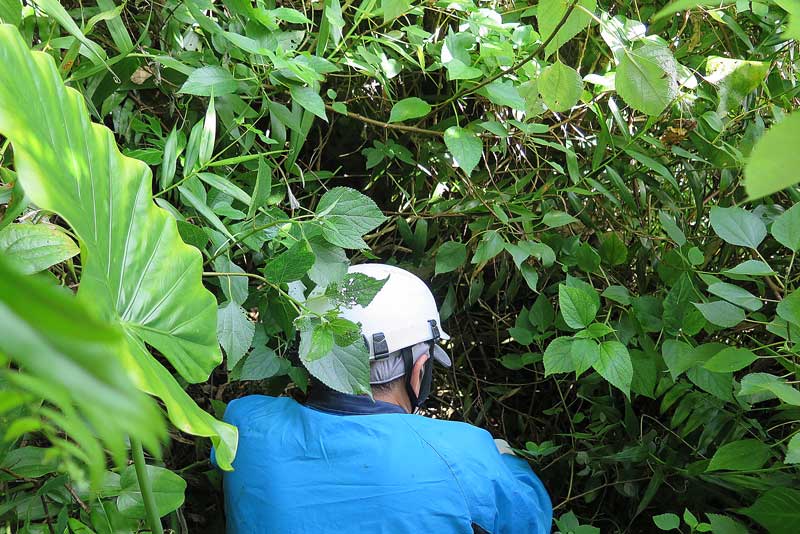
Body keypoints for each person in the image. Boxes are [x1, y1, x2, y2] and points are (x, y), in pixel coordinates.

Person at [219, 264, 552, 533]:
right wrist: (505, 457)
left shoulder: (243, 423)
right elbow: (531, 520)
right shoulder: (465, 457)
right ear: (420, 369)